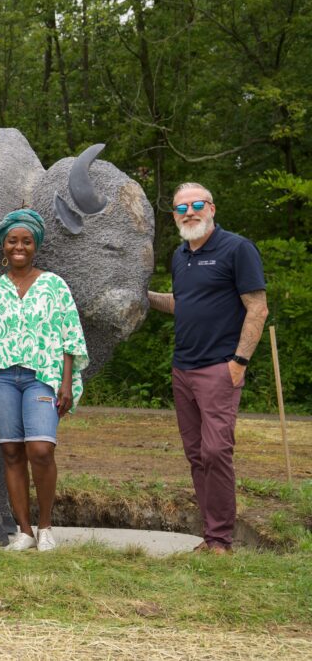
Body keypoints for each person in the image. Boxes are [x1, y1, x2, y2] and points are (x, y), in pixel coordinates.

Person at [148, 182, 268, 555]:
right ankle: (212, 536)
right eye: (181, 208)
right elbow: (182, 304)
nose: (190, 212)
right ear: (174, 216)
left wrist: (239, 362)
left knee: (216, 452)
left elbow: (257, 308)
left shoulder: (237, 248)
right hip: (182, 368)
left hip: (220, 367)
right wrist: (142, 297)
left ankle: (221, 539)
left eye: (197, 204)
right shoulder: (180, 256)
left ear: (212, 208)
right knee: (197, 455)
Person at [0, 208, 88, 552]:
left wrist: (65, 381)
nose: (19, 247)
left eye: (26, 241)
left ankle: (46, 527)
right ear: (3, 247)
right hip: (0, 378)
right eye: (12, 241)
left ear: (36, 246)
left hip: (41, 377)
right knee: (13, 451)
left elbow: (69, 337)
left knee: (41, 449)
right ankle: (24, 531)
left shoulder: (54, 285)